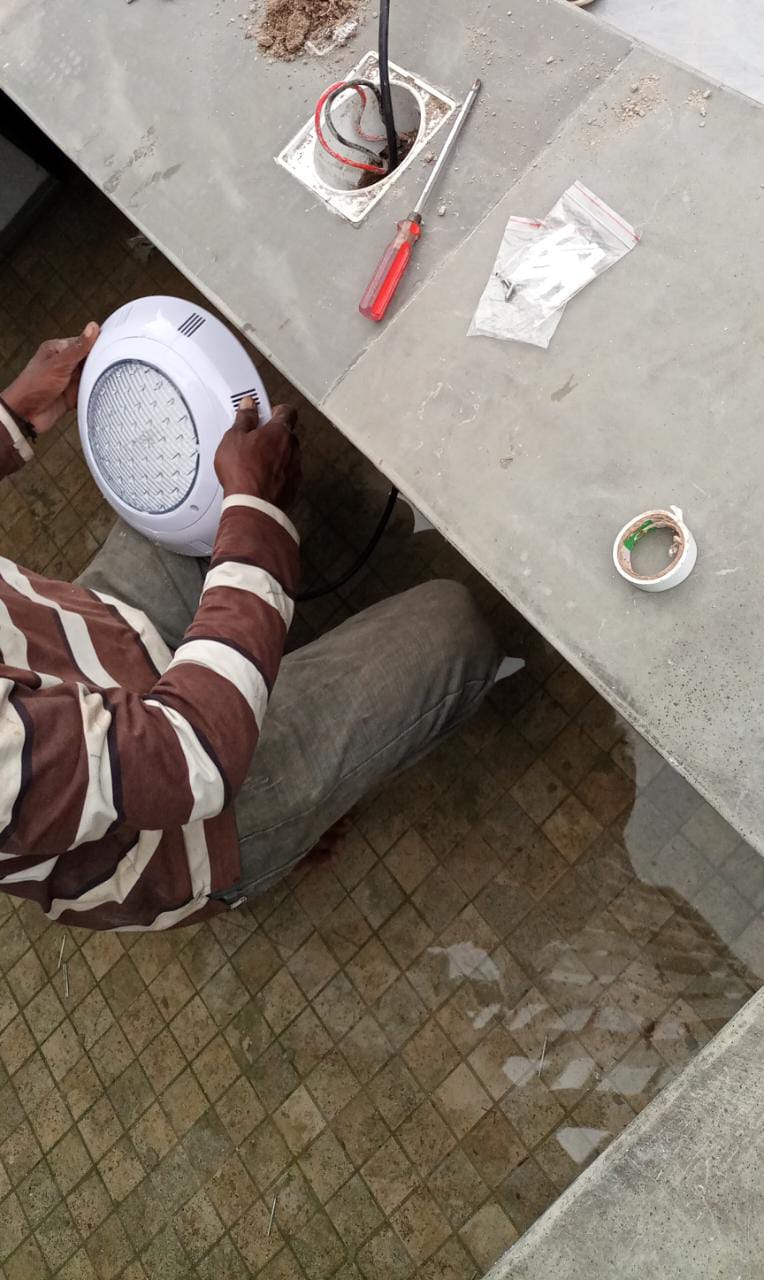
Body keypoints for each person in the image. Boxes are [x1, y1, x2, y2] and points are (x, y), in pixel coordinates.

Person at [0, 325, 502, 931]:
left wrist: (12, 418)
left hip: (89, 636)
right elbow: (185, 755)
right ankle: (273, 842)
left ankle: (259, 658)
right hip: (179, 822)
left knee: (223, 466)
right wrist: (252, 516)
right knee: (454, 626)